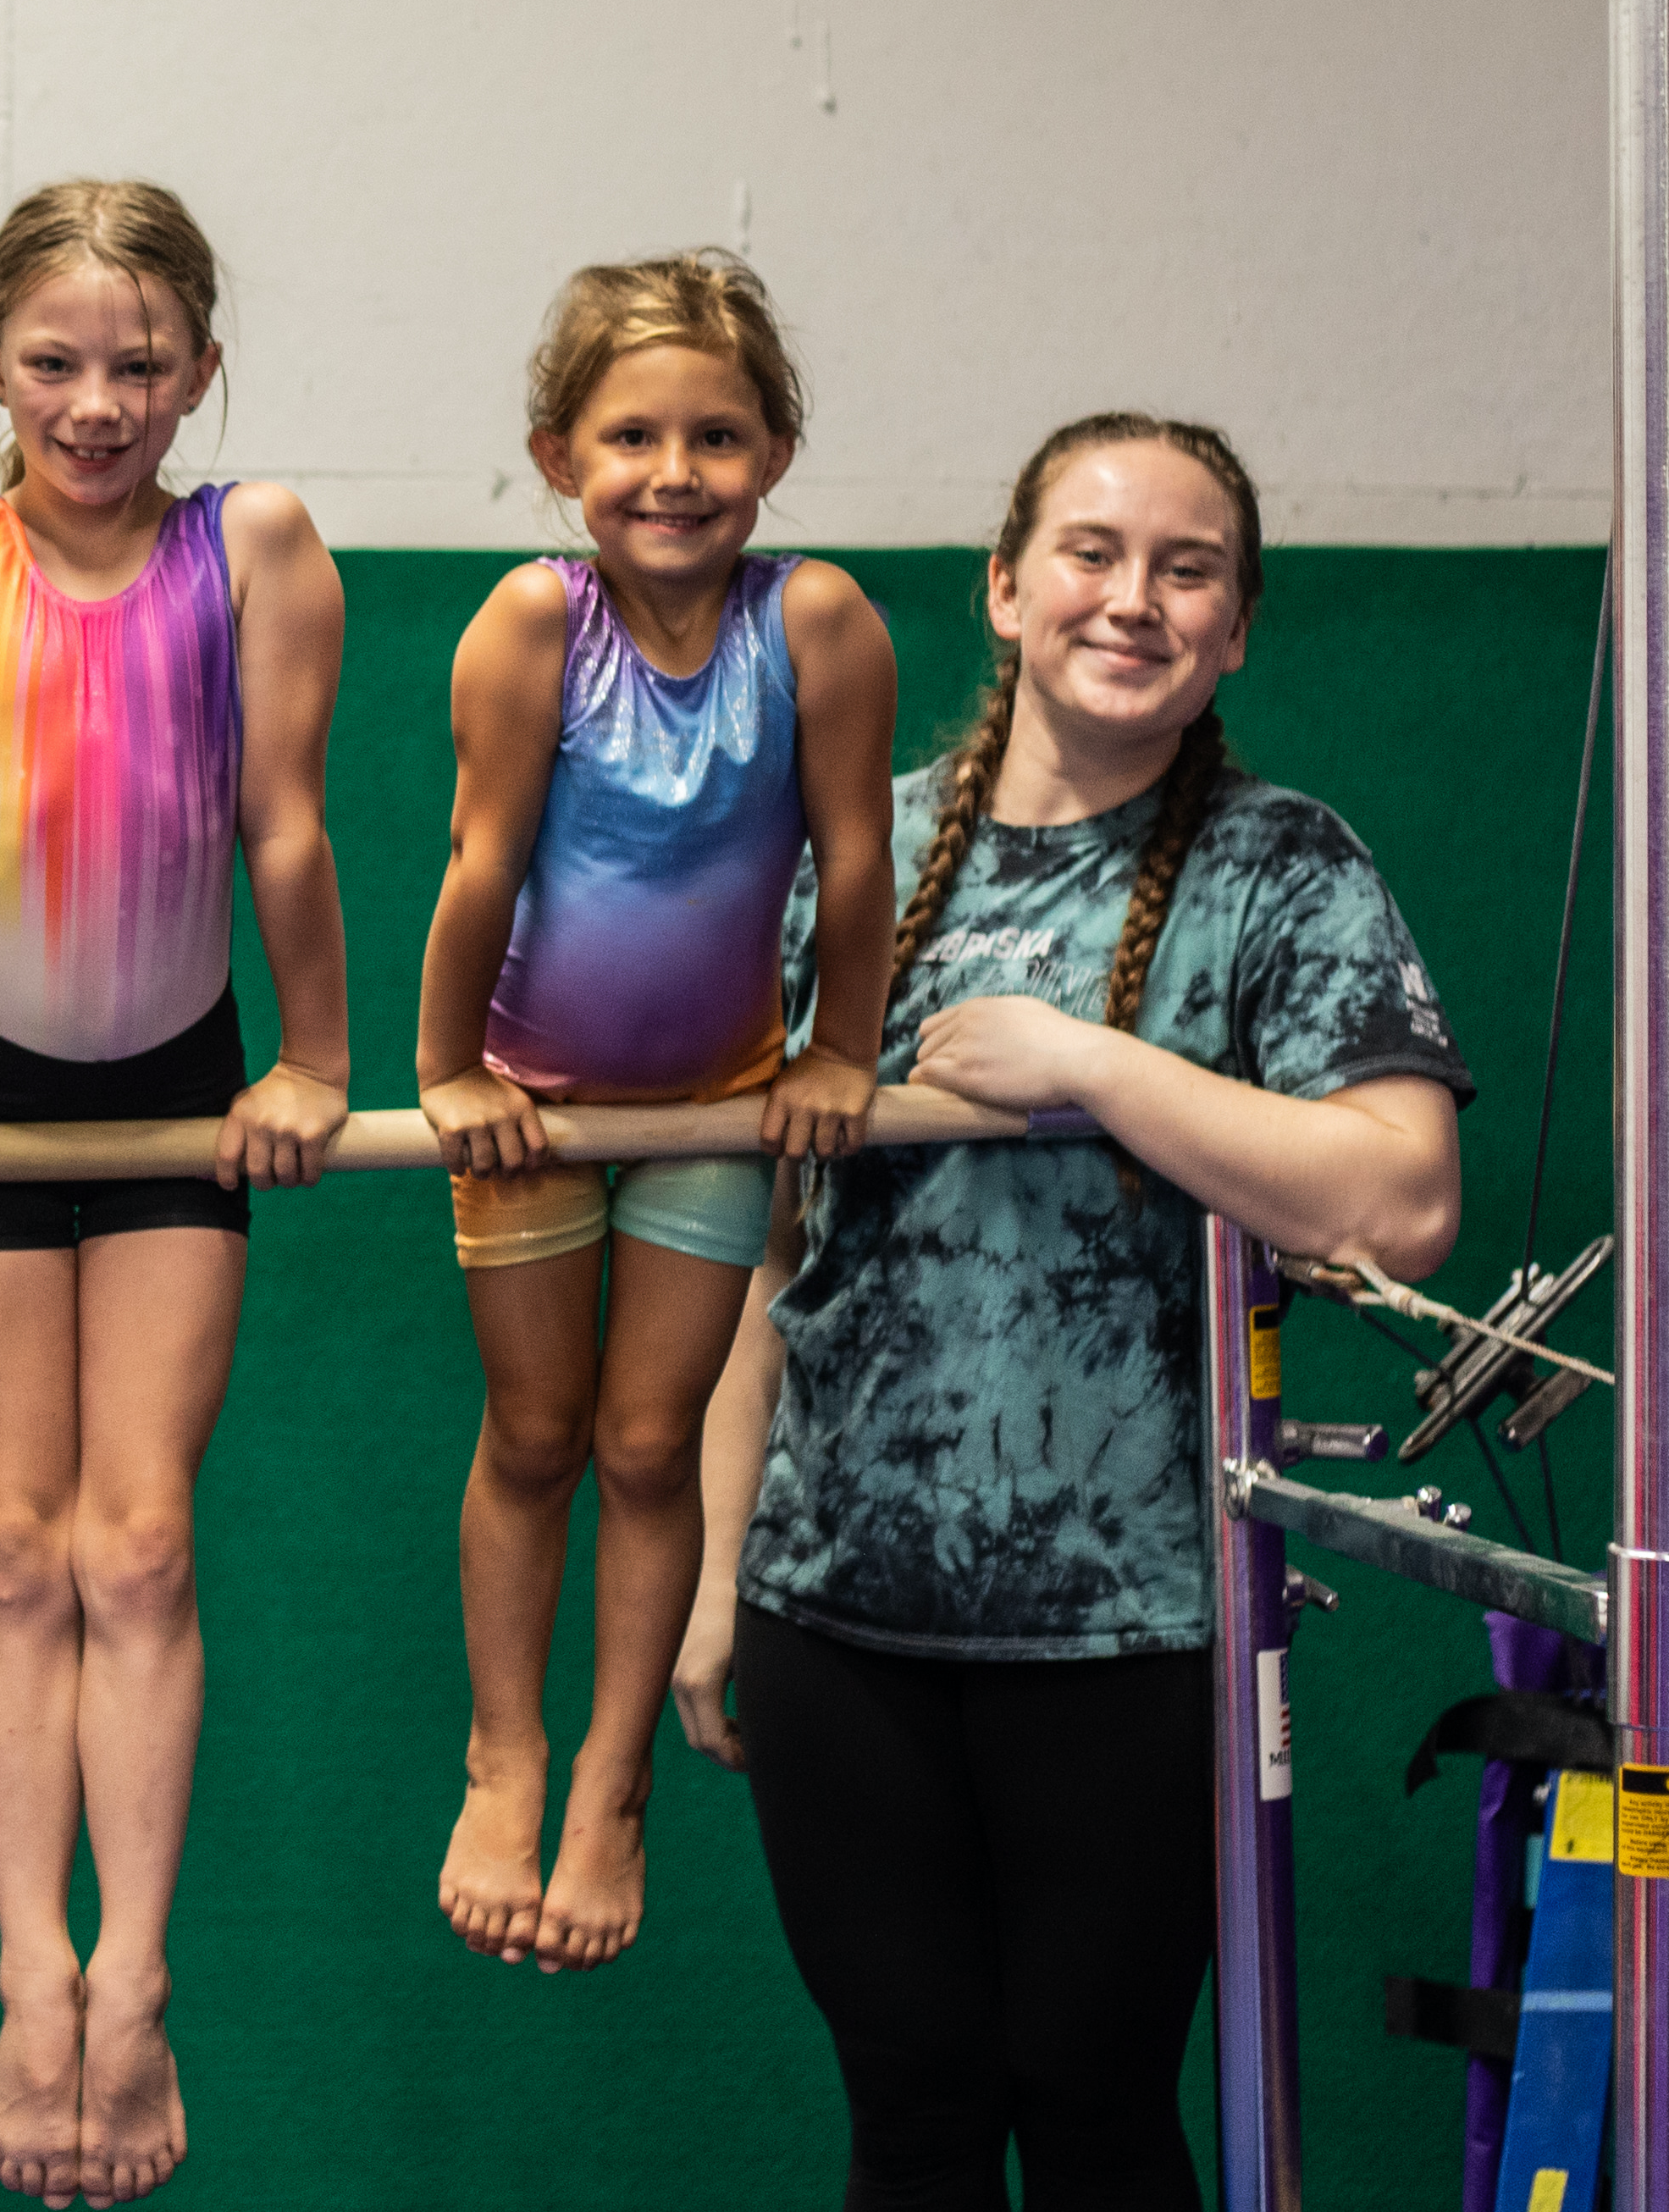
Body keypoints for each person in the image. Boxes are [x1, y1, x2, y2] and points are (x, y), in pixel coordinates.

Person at [688, 414, 1468, 2208]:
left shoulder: (1284, 870)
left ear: (1239, 623)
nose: (1133, 598)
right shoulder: (852, 862)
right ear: (1005, 586)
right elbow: (760, 1257)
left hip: (1133, 1634)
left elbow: (1400, 1199)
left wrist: (1086, 1065)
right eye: (1092, 552)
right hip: (838, 1620)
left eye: (1186, 568)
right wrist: (717, 1571)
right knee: (916, 2105)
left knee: (1092, 2098)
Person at [0, 179, 349, 2207]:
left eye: (140, 365)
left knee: (141, 1546)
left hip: (178, 1089)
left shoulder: (257, 546)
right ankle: (27, 1970)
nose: (98, 401)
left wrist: (315, 1057)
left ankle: (133, 1976)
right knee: (17, 1542)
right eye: (55, 363)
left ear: (200, 369)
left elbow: (283, 829)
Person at [409, 252, 895, 1973]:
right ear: (560, 455)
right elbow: (482, 862)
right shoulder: (531, 622)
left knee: (644, 1440)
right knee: (533, 1432)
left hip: (712, 1098)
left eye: (715, 433)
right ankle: (504, 1748)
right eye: (630, 435)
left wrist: (840, 1053)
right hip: (534, 1096)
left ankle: (609, 1781)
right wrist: (448, 1068)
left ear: (771, 451)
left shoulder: (816, 621)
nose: (672, 469)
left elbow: (854, 861)